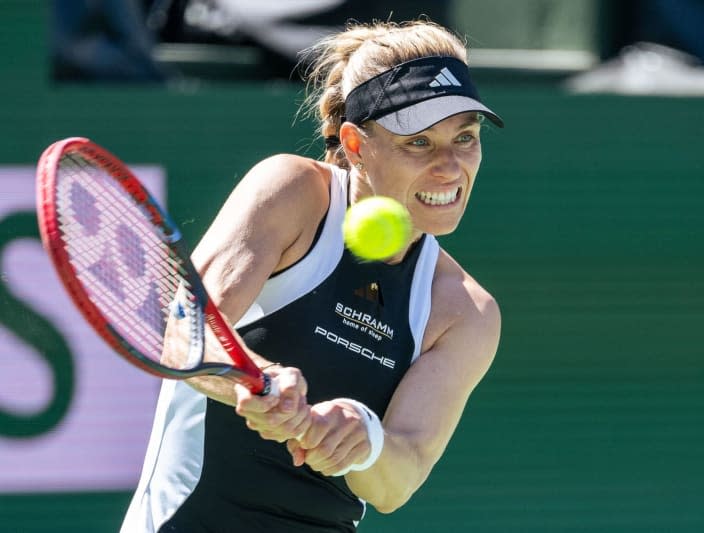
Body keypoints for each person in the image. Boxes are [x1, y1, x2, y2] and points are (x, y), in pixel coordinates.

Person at [121, 18, 504, 532]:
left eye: (466, 138)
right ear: (355, 143)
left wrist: (364, 439)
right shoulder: (292, 192)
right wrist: (254, 381)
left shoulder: (466, 312)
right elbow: (185, 335)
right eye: (418, 143)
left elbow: (399, 479)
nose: (451, 167)